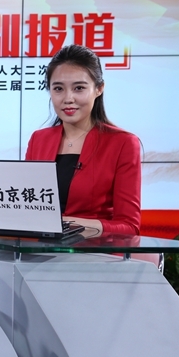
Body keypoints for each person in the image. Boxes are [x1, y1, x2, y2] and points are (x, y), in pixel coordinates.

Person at [25, 44, 141, 236]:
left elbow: (129, 227)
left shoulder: (123, 143)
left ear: (99, 89)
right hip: (39, 250)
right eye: (58, 89)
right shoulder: (39, 139)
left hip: (94, 251)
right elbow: (26, 208)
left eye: (79, 88)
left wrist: (65, 225)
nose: (68, 98)